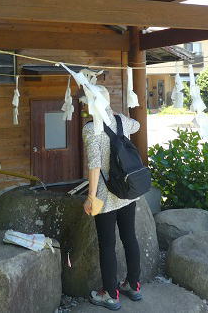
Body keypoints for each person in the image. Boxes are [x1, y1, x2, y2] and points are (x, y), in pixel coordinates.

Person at [82, 95, 142, 311]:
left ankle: (110, 293)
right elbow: (137, 125)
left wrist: (91, 197)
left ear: (92, 104)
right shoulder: (121, 121)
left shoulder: (91, 128)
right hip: (127, 190)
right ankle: (133, 285)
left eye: (86, 102)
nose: (84, 106)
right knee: (129, 238)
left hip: (105, 195)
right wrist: (117, 114)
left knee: (107, 245)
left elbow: (94, 165)